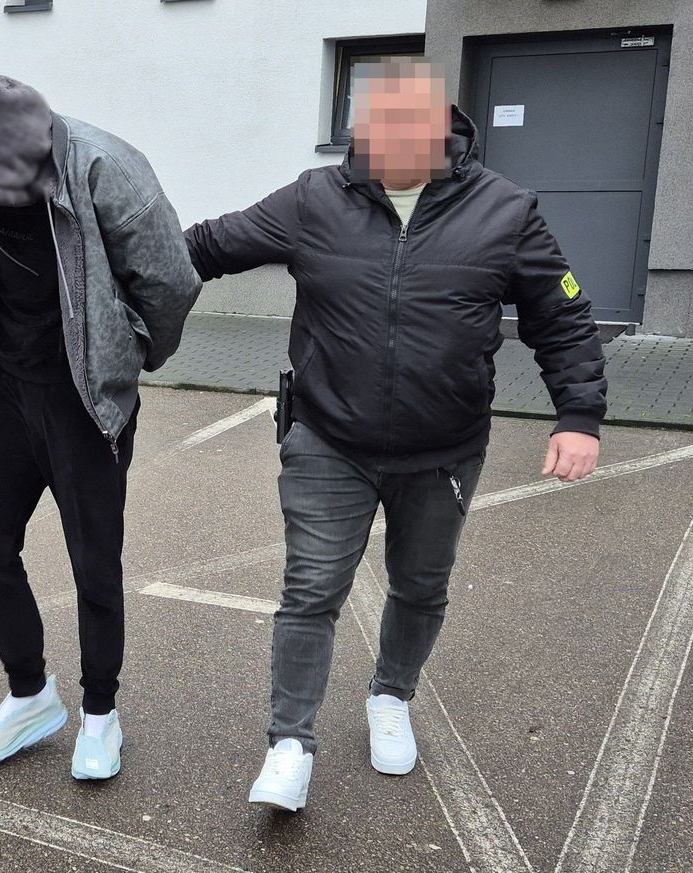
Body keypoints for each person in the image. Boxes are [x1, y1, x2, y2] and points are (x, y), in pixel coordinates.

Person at [184, 58, 607, 811]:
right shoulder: (314, 198)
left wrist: (579, 417)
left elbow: (562, 316)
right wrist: (110, 264)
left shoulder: (505, 209)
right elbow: (205, 247)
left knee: (420, 586)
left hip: (444, 448)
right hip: (328, 437)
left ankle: (390, 695)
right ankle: (290, 743)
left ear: (445, 128)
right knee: (310, 589)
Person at [0, 75, 202, 779]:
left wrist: (128, 353)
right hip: (9, 388)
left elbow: (170, 280)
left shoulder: (105, 167)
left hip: (84, 398)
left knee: (93, 564)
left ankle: (101, 713)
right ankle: (30, 695)